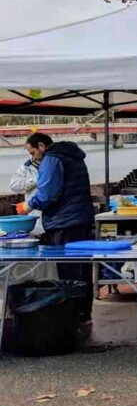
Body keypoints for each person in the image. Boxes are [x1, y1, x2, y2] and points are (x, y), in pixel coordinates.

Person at [17, 133, 96, 334]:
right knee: (83, 270)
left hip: (64, 223)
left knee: (69, 273)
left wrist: (27, 206)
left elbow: (47, 194)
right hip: (82, 219)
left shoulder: (51, 159)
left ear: (41, 146)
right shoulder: (73, 156)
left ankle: (70, 320)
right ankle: (84, 316)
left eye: (32, 152)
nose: (32, 157)